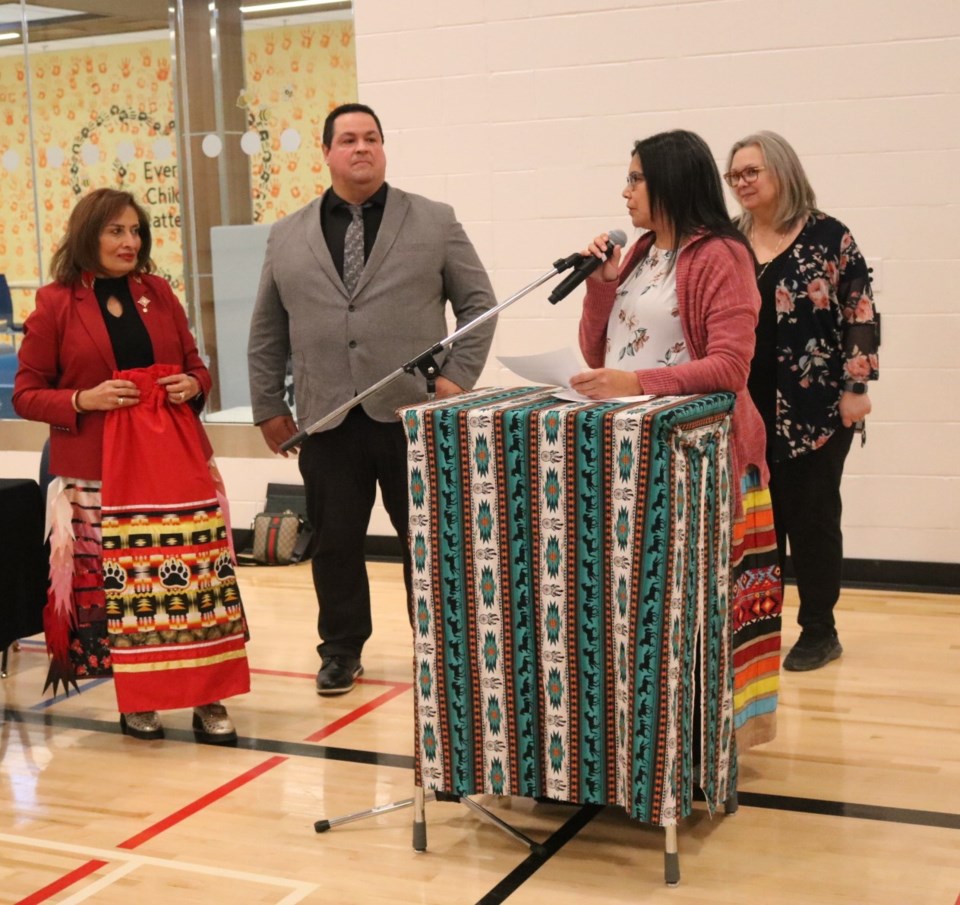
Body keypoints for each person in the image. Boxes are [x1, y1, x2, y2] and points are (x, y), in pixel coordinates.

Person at [247, 103, 497, 696]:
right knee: (334, 545)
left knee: (428, 544)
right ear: (327, 151)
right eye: (349, 140)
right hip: (328, 416)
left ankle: (438, 648)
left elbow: (479, 307)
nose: (362, 148)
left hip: (411, 416)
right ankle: (340, 651)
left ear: (383, 149)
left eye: (373, 139)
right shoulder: (287, 235)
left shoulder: (434, 221)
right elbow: (266, 331)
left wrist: (455, 379)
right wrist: (267, 405)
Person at [570, 129, 783, 747]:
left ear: (669, 182)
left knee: (695, 612)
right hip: (631, 454)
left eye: (636, 178)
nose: (626, 190)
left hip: (699, 458)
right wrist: (601, 282)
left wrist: (634, 380)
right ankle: (640, 737)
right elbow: (596, 351)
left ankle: (702, 740)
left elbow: (729, 368)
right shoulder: (637, 252)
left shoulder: (721, 255)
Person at [13, 188, 249, 742]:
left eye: (135, 231)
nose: (129, 241)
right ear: (87, 234)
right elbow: (26, 394)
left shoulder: (159, 293)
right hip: (97, 474)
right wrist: (80, 400)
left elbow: (198, 368)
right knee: (127, 595)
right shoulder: (54, 303)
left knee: (196, 583)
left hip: (175, 463)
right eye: (116, 231)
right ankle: (137, 697)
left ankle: (207, 695)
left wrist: (194, 383)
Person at [724, 131, 879, 672]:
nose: (741, 182)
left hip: (816, 410)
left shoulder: (828, 236)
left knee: (811, 521)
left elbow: (859, 311)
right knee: (755, 527)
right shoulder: (730, 243)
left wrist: (857, 388)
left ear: (782, 172)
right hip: (745, 409)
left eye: (751, 172)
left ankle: (818, 629)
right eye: (734, 175)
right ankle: (754, 631)